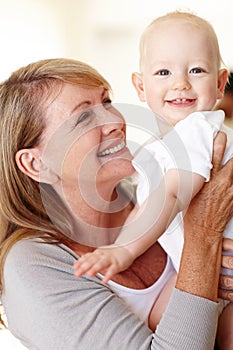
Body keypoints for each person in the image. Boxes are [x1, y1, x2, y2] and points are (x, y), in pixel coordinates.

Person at [0, 58, 233, 350]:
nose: (115, 122)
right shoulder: (32, 265)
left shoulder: (153, 196)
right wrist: (203, 235)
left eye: (106, 101)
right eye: (83, 118)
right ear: (36, 164)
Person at [73, 11, 233, 348]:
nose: (181, 84)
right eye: (164, 72)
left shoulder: (198, 130)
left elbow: (173, 194)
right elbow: (149, 204)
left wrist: (123, 250)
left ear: (219, 84)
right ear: (141, 86)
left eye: (197, 71)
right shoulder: (159, 146)